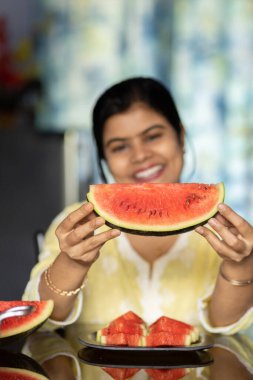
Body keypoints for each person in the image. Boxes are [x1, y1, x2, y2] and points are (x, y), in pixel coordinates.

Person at [23, 77, 253, 335]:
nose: (140, 155)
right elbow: (43, 318)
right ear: (105, 160)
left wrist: (239, 265)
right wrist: (72, 263)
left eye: (153, 136)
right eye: (120, 147)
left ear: (181, 136)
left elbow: (224, 329)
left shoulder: (226, 231)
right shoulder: (77, 224)